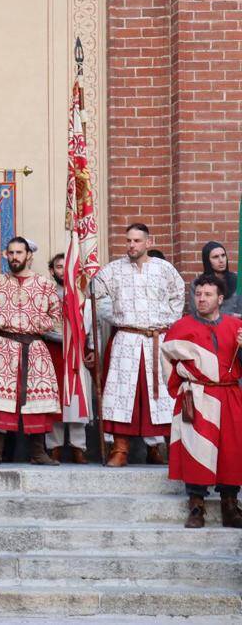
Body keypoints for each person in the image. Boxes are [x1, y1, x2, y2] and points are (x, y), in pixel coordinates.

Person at [93, 223, 185, 467]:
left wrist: (168, 322)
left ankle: (158, 448)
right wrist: (116, 316)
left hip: (158, 340)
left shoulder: (165, 269)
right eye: (128, 241)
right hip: (127, 338)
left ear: (148, 242)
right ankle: (120, 449)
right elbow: (96, 293)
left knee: (160, 393)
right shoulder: (113, 270)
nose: (131, 245)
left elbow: (179, 295)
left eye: (136, 241)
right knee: (125, 393)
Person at [163, 274, 242, 528]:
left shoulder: (235, 327)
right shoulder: (181, 327)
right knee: (196, 448)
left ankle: (230, 505)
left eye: (208, 295)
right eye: (198, 294)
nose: (202, 299)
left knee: (232, 450)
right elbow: (167, 364)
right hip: (197, 394)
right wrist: (181, 389)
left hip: (229, 393)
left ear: (220, 298)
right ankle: (196, 506)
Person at [0, 237, 63, 465]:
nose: (15, 257)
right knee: (1, 398)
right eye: (11, 253)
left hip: (34, 347)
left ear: (29, 255)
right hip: (4, 347)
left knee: (37, 399)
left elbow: (56, 317)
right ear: (6, 255)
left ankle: (38, 453)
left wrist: (34, 322)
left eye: (19, 253)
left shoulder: (45, 285)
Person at [43, 253, 93, 464]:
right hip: (52, 350)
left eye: (67, 266)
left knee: (76, 397)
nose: (63, 270)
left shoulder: (83, 296)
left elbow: (91, 326)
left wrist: (90, 347)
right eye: (59, 266)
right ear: (52, 271)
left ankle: (78, 447)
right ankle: (53, 447)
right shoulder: (45, 294)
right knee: (53, 398)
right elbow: (41, 323)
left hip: (76, 353)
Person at [188, 241, 240, 318]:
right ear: (207, 261)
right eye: (215, 257)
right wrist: (231, 315)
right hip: (207, 325)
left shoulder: (238, 280)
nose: (221, 260)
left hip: (235, 326)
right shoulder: (197, 283)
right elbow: (196, 311)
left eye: (223, 255)